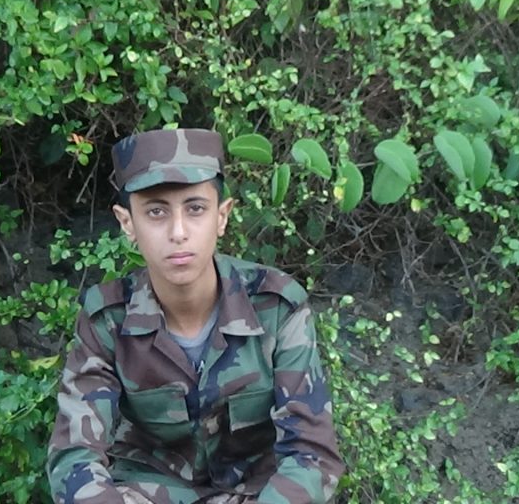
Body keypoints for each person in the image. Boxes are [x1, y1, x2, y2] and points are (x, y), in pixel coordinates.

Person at [47, 128, 344, 504]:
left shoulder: (276, 306)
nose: (178, 232)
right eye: (156, 212)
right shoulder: (107, 319)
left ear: (222, 216)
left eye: (195, 208)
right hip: (150, 491)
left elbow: (311, 454)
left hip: (256, 492)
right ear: (127, 223)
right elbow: (74, 456)